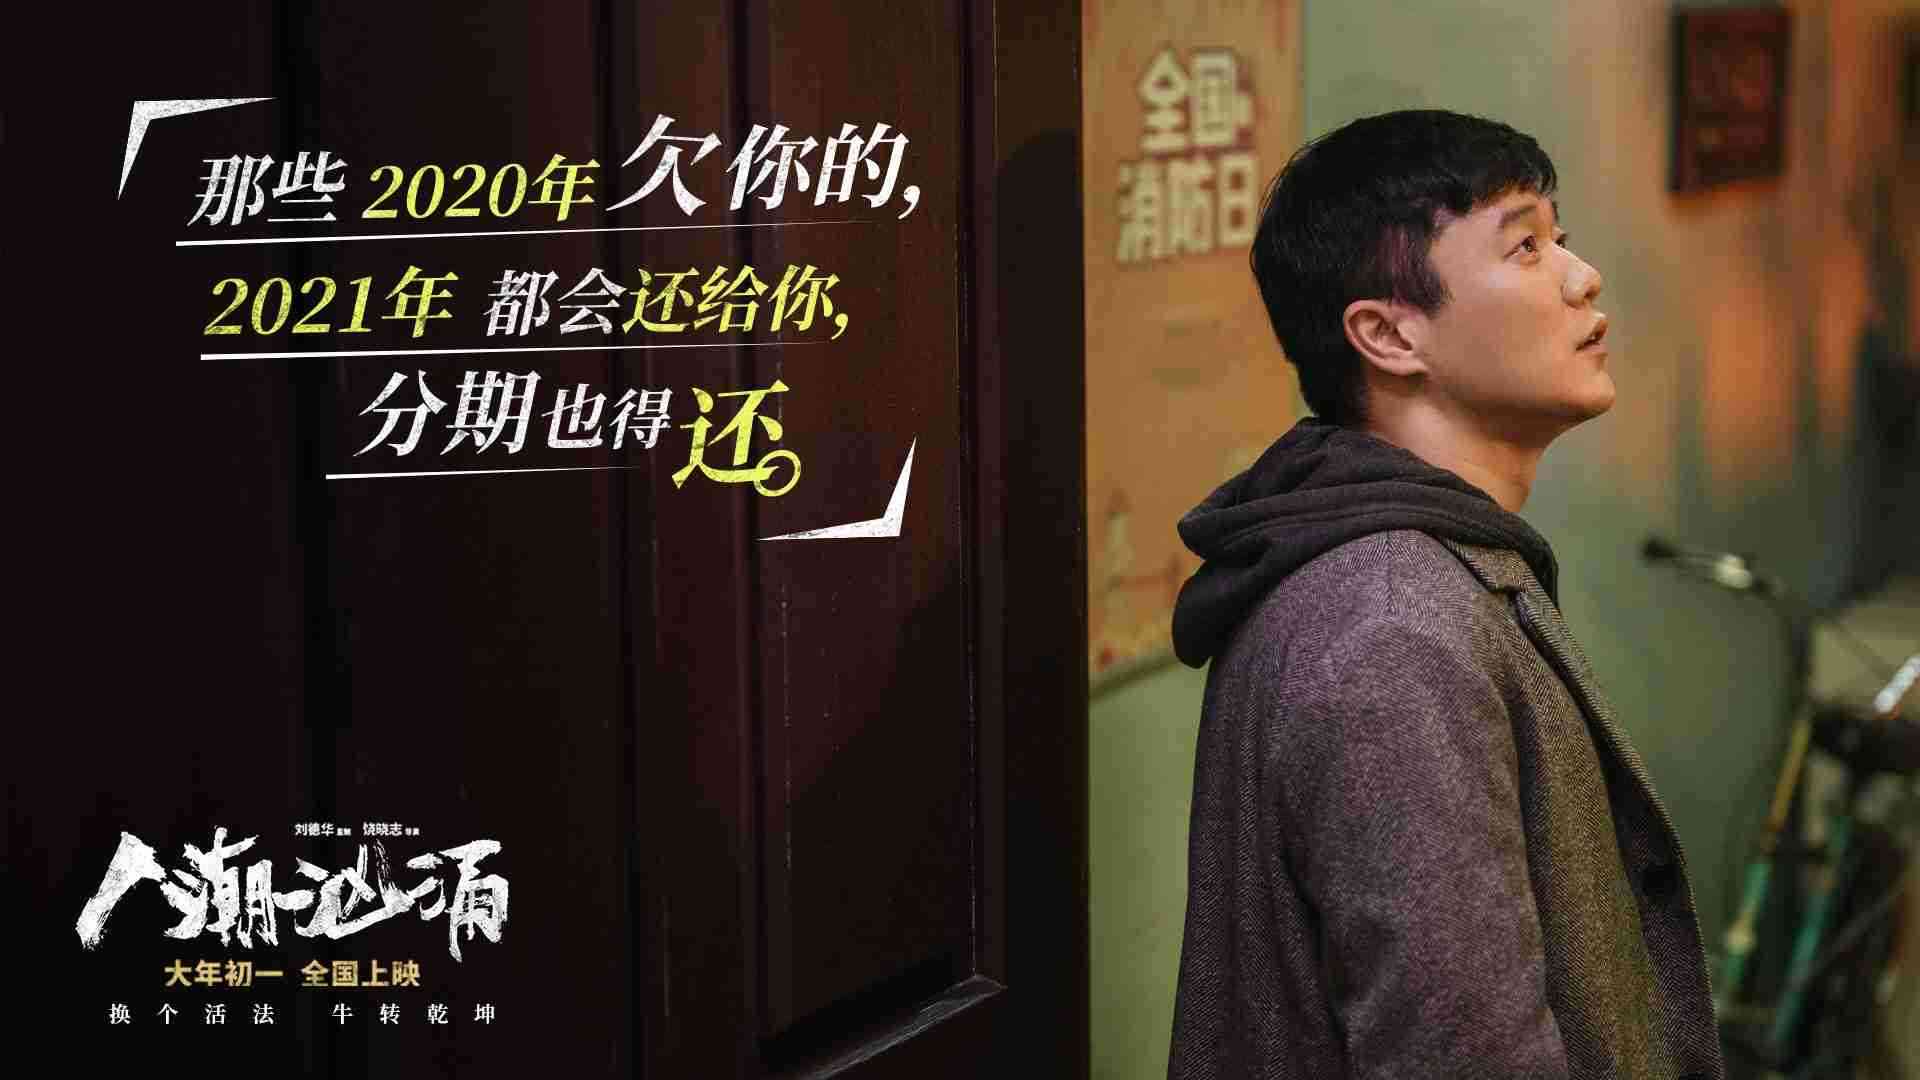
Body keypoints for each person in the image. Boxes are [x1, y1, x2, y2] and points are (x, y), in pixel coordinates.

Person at [1165, 109, 1723, 1079]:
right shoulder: (1392, 626)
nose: (1582, 275)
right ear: (1389, 334)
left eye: (1559, 236)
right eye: (1526, 246)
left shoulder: (1407, 569)